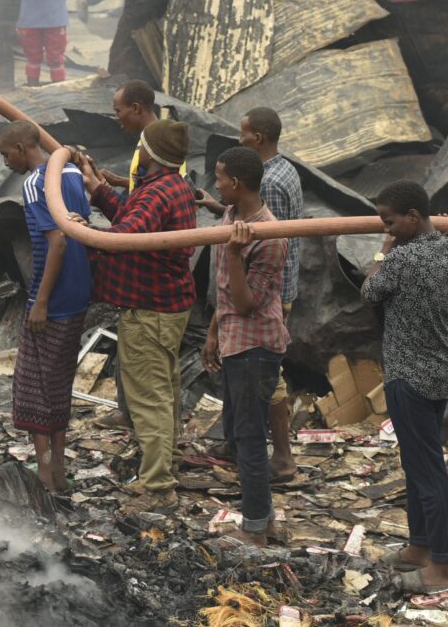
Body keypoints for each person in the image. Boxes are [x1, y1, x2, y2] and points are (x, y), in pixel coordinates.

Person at [75, 119, 197, 514]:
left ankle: (158, 488)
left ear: (151, 153)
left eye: (140, 145)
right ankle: (167, 467)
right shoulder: (169, 186)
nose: (136, 151)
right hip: (168, 308)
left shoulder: (156, 194)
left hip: (150, 310)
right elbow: (132, 218)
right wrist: (99, 190)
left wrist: (85, 230)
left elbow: (123, 238)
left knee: (150, 399)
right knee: (164, 393)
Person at [359, 181, 448, 593]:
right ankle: (421, 546)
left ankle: (442, 566)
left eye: (390, 222)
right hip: (441, 372)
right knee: (419, 464)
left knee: (428, 472)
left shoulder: (402, 260)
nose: (387, 230)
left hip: (408, 376)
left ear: (412, 216)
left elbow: (369, 291)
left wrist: (382, 252)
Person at [200, 107, 303, 480]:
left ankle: (278, 459)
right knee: (247, 392)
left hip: (263, 302)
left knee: (265, 385)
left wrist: (229, 250)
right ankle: (241, 447)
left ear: (257, 137)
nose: (239, 137)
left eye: (243, 133)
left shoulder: (268, 190)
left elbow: (254, 249)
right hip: (247, 304)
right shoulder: (280, 171)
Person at [0, 119, 93, 493]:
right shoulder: (70, 172)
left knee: (35, 388)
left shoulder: (36, 183)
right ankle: (59, 468)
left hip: (52, 297)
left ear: (22, 148)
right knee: (58, 382)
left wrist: (38, 302)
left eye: (6, 154)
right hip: (79, 290)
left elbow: (57, 243)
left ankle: (45, 475)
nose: (5, 161)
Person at [201, 146, 289, 547]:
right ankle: (264, 520)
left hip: (256, 348)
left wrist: (235, 254)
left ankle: (254, 528)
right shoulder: (232, 215)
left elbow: (245, 302)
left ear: (235, 183)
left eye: (219, 178)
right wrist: (214, 333)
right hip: (235, 341)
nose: (216, 185)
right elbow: (222, 292)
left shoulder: (268, 235)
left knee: (250, 439)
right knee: (240, 434)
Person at [98, 80, 188, 195]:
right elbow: (150, 182)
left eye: (118, 111)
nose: (116, 117)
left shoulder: (161, 145)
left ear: (136, 108)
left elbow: (165, 190)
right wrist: (118, 180)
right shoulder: (148, 139)